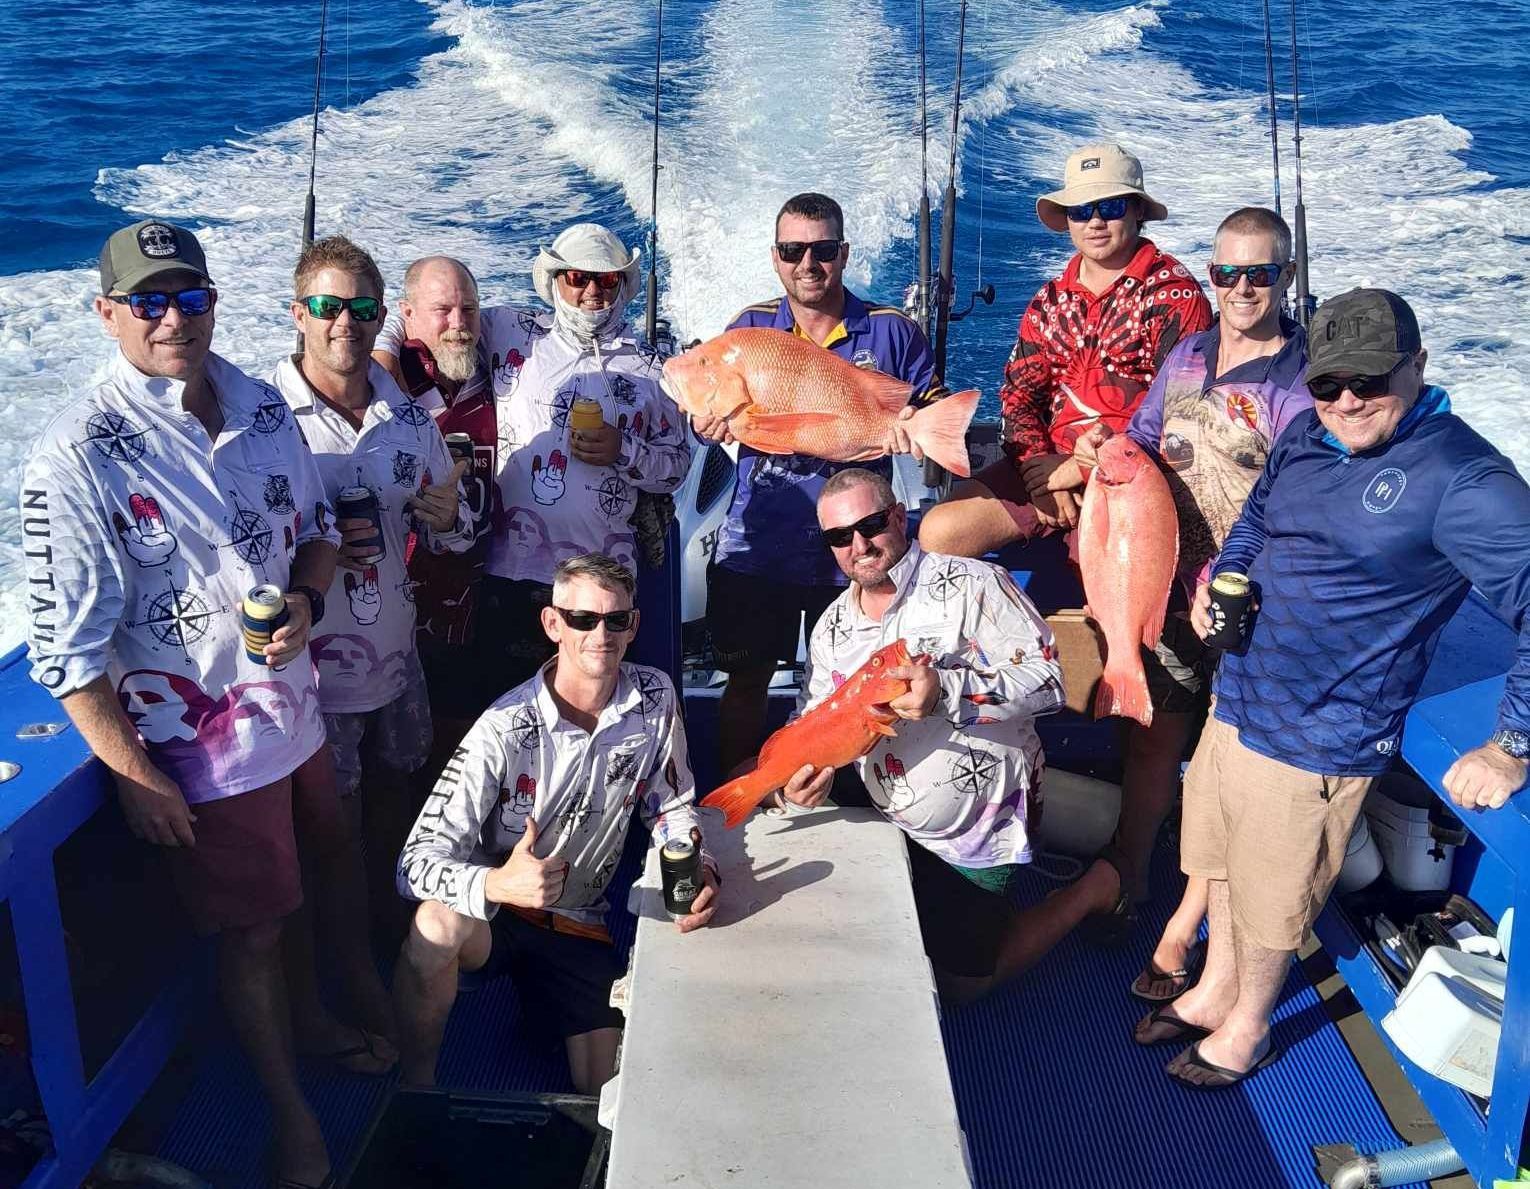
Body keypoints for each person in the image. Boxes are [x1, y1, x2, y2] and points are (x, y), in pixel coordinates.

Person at [20, 219, 386, 1187]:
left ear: (215, 302)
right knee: (254, 929)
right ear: (107, 314)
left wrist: (306, 601)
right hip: (203, 748)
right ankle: (288, 1113)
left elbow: (313, 536)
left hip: (296, 708)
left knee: (321, 861)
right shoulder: (74, 459)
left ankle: (317, 1016)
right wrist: (134, 774)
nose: (172, 317)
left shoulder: (264, 405)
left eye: (189, 296)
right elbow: (67, 655)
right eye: (148, 301)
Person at [1141, 289, 1530, 1088]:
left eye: (1370, 379)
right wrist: (1235, 569)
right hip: (1242, 691)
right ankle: (1214, 989)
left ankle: (1249, 1026)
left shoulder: (1467, 480)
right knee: (1215, 852)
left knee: (1273, 892)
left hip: (1323, 728)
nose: (1347, 400)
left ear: (1417, 366)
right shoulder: (1307, 433)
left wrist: (1511, 742)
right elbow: (1256, 517)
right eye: (1328, 383)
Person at [753, 468, 1130, 1001]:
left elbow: (1050, 684)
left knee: (962, 986)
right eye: (839, 536)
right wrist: (800, 782)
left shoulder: (973, 584)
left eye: (871, 524)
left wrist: (947, 691)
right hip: (885, 808)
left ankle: (1093, 889)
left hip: (973, 828)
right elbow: (813, 718)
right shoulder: (831, 627)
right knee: (761, 785)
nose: (858, 545)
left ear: (900, 516)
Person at [1071, 208, 1313, 999]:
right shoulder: (1187, 357)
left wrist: (1236, 581)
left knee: (1232, 772)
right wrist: (1100, 448)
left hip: (1254, 608)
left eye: (1260, 273)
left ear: (1286, 277)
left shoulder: (1302, 382)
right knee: (1155, 741)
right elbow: (1139, 440)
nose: (1241, 288)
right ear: (1210, 276)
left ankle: (1207, 932)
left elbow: (1306, 501)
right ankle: (1133, 878)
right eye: (1226, 273)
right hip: (1165, 589)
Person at [392, 553, 719, 1094]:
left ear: (635, 624)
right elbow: (412, 865)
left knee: (605, 1098)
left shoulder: (656, 697)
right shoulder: (501, 728)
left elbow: (671, 805)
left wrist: (695, 865)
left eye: (617, 620)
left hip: (577, 923)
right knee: (434, 927)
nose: (601, 634)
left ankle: (545, 1013)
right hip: (493, 918)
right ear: (552, 625)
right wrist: (497, 883)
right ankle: (416, 1092)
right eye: (582, 620)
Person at [375, 228, 692, 713]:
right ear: (554, 281)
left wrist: (623, 450)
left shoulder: (653, 369)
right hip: (511, 574)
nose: (592, 292)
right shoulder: (511, 332)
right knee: (511, 716)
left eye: (606, 280)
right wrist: (384, 353)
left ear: (623, 285)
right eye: (577, 277)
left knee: (594, 712)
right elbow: (430, 314)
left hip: (604, 582)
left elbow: (675, 470)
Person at [271, 235, 473, 942]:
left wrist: (451, 518)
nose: (344, 323)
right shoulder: (265, 426)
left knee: (400, 804)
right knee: (331, 837)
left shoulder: (411, 420)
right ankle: (347, 964)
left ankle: (392, 940)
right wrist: (308, 554)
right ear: (298, 313)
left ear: (381, 313)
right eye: (327, 306)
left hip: (398, 662)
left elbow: (456, 532)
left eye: (361, 308)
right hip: (312, 681)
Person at [695, 192, 940, 774]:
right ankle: (743, 793)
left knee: (857, 691)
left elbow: (936, 411)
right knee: (747, 682)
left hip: (857, 550)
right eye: (792, 249)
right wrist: (702, 426)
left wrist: (918, 430)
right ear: (775, 257)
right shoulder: (748, 333)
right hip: (759, 548)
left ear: (845, 253)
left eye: (823, 249)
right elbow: (706, 422)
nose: (808, 263)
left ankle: (853, 796)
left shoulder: (891, 333)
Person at [919, 143, 1211, 558]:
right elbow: (1018, 396)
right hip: (1050, 467)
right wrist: (1042, 475)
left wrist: (1086, 467)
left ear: (1137, 211)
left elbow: (1183, 412)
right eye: (1080, 209)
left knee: (1109, 578)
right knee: (940, 533)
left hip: (1138, 471)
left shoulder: (1175, 294)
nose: (1094, 221)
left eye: (1109, 207)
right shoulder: (1050, 300)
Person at [372, 256, 498, 760]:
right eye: (442, 309)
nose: (458, 323)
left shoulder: (500, 371)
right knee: (396, 762)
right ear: (406, 314)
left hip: (479, 598)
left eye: (469, 309)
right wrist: (385, 347)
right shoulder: (381, 379)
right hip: (393, 605)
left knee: (467, 749)